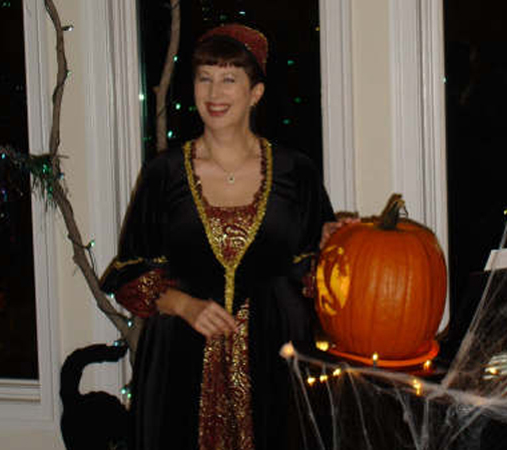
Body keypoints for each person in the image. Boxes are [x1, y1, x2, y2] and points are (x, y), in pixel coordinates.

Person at [100, 23, 335, 450]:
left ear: (255, 92)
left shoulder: (295, 171)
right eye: (204, 78)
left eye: (229, 79)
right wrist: (184, 305)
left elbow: (313, 273)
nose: (214, 93)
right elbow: (131, 276)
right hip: (179, 364)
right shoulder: (163, 174)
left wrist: (338, 245)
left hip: (275, 363)